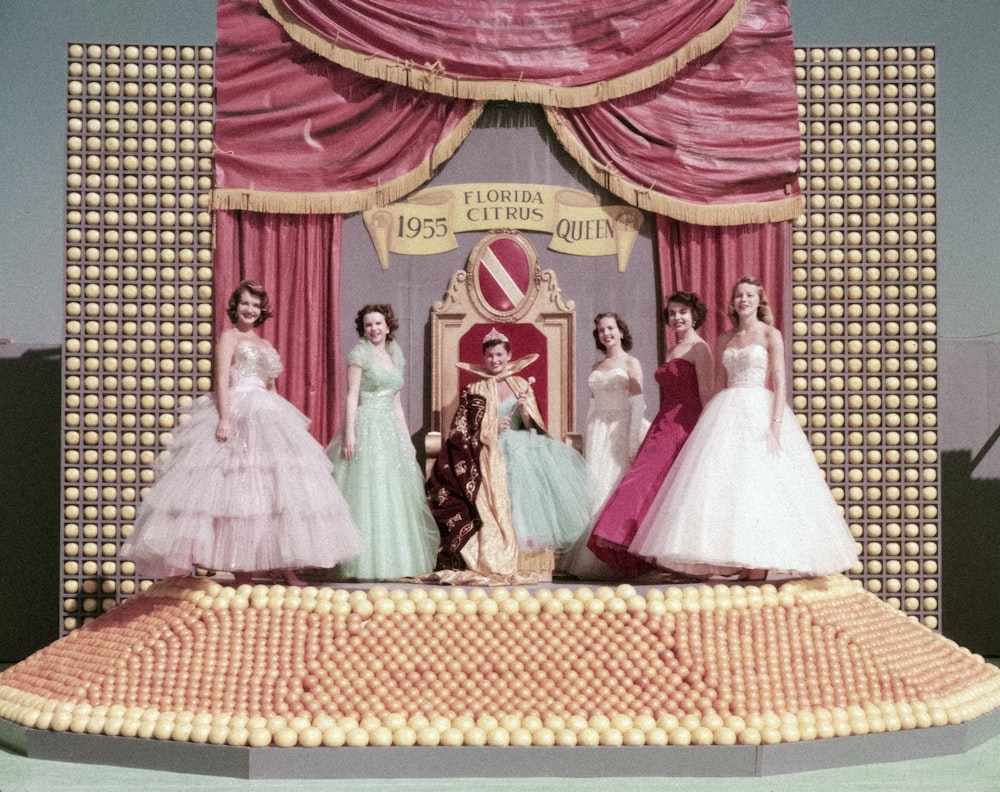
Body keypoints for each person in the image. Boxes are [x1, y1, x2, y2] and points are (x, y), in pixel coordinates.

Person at [123, 280, 363, 585]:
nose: (250, 310)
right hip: (237, 408)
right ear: (235, 307)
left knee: (278, 492)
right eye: (245, 303)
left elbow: (271, 386)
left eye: (255, 305)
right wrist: (225, 418)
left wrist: (282, 421)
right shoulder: (229, 338)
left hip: (266, 411)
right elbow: (222, 379)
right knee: (239, 495)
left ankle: (286, 567)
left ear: (262, 311)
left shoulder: (265, 343)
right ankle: (242, 571)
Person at [630, 276, 859, 580]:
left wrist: (776, 424)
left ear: (759, 300)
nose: (743, 300)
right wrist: (706, 428)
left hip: (759, 410)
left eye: (749, 295)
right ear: (733, 302)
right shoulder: (724, 339)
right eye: (739, 295)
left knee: (759, 485)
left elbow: (779, 383)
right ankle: (736, 560)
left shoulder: (770, 335)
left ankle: (759, 565)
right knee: (729, 487)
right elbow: (717, 386)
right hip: (726, 411)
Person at [426, 327, 589, 584]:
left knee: (528, 483)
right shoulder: (474, 388)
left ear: (509, 355)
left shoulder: (520, 384)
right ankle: (501, 553)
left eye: (500, 355)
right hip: (488, 446)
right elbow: (461, 428)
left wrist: (524, 411)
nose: (495, 360)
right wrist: (490, 430)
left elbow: (532, 424)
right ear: (484, 357)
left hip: (522, 444)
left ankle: (529, 558)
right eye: (490, 356)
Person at [582, 292, 713, 579]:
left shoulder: (700, 349)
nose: (677, 318)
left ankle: (641, 549)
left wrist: (703, 434)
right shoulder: (673, 350)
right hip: (663, 422)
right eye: (673, 313)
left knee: (649, 484)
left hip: (684, 424)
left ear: (694, 316)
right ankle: (635, 551)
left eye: (683, 312)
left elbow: (705, 393)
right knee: (649, 485)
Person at [326, 304, 439, 580]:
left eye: (378, 323)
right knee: (369, 491)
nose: (374, 329)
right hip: (367, 424)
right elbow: (352, 396)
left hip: (390, 427)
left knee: (392, 493)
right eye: (368, 325)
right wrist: (350, 432)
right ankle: (364, 563)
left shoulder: (395, 354)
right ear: (363, 329)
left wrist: (406, 438)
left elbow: (397, 401)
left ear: (388, 326)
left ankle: (393, 563)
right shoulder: (359, 354)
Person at [559, 312, 649, 579]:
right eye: (601, 330)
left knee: (614, 486)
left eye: (610, 328)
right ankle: (594, 554)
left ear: (621, 331)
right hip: (599, 429)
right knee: (596, 487)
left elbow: (637, 402)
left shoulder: (632, 363)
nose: (606, 334)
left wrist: (633, 441)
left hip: (621, 429)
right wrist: (589, 437)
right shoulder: (595, 368)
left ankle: (617, 554)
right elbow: (592, 406)